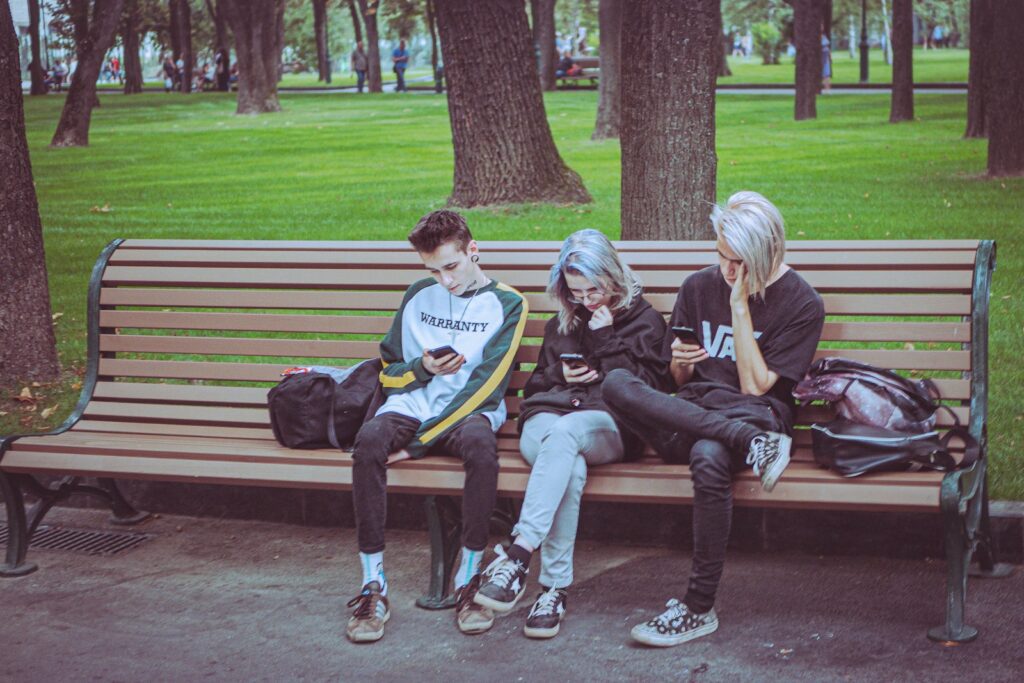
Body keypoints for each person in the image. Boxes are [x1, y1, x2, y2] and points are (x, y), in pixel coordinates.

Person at [602, 191, 825, 647]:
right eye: (721, 256)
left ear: (769, 252)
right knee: (616, 384)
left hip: (756, 413)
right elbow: (678, 381)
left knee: (708, 454)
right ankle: (748, 443)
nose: (726, 271)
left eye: (738, 262)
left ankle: (697, 608)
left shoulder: (803, 304)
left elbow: (754, 385)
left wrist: (740, 305)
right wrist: (681, 361)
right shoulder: (697, 287)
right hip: (698, 413)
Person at [473, 230, 669, 639]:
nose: (585, 300)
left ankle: (518, 554)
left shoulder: (645, 321)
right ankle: (553, 589)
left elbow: (647, 391)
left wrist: (605, 337)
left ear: (613, 278)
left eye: (593, 289)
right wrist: (558, 374)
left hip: (609, 426)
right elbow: (534, 388)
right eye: (576, 291)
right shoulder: (563, 318)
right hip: (547, 423)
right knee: (570, 464)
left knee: (566, 437)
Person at [345, 210, 528, 643]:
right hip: (412, 404)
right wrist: (423, 369)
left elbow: (487, 387)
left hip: (470, 413)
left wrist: (420, 444)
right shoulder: (417, 295)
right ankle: (374, 585)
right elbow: (388, 373)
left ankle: (468, 582)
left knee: (482, 451)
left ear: (473, 251)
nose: (444, 280)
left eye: (452, 266)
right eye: (433, 270)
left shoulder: (508, 303)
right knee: (368, 442)